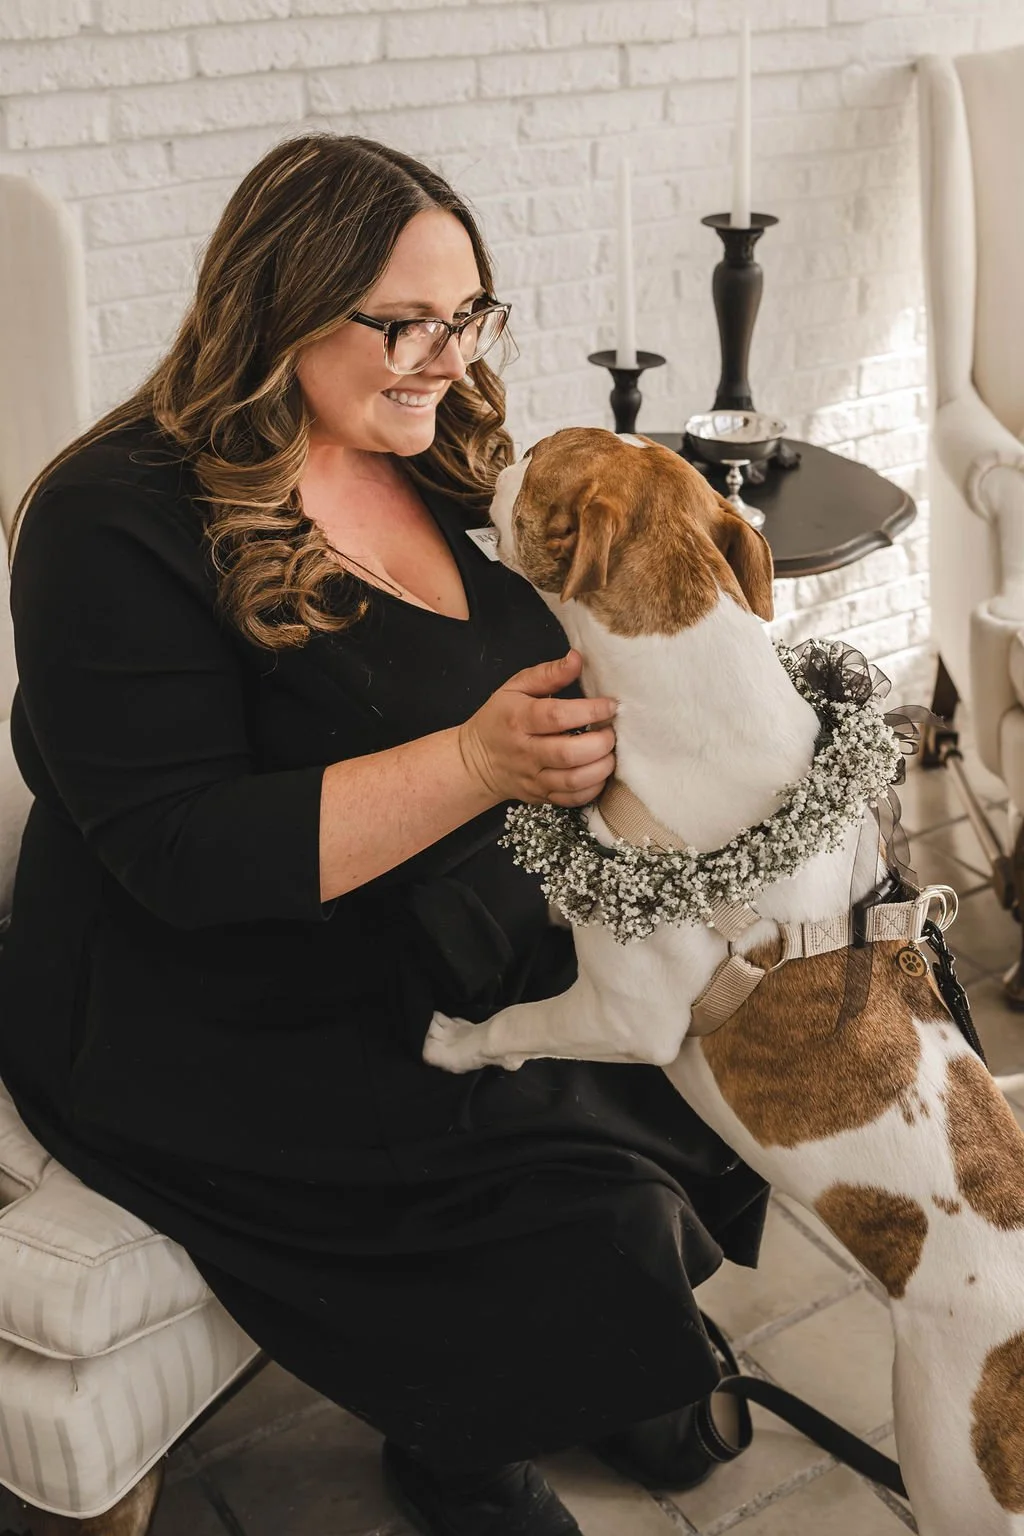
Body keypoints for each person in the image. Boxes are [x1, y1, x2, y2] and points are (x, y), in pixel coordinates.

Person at [0, 134, 768, 1536]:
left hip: (424, 919)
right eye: (405, 322)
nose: (449, 356)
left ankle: (597, 1351)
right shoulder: (110, 523)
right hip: (199, 1005)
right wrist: (480, 760)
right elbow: (179, 853)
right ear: (276, 304)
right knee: (564, 1192)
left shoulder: (437, 449)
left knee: (666, 1078)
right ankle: (465, 1438)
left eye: (469, 313)